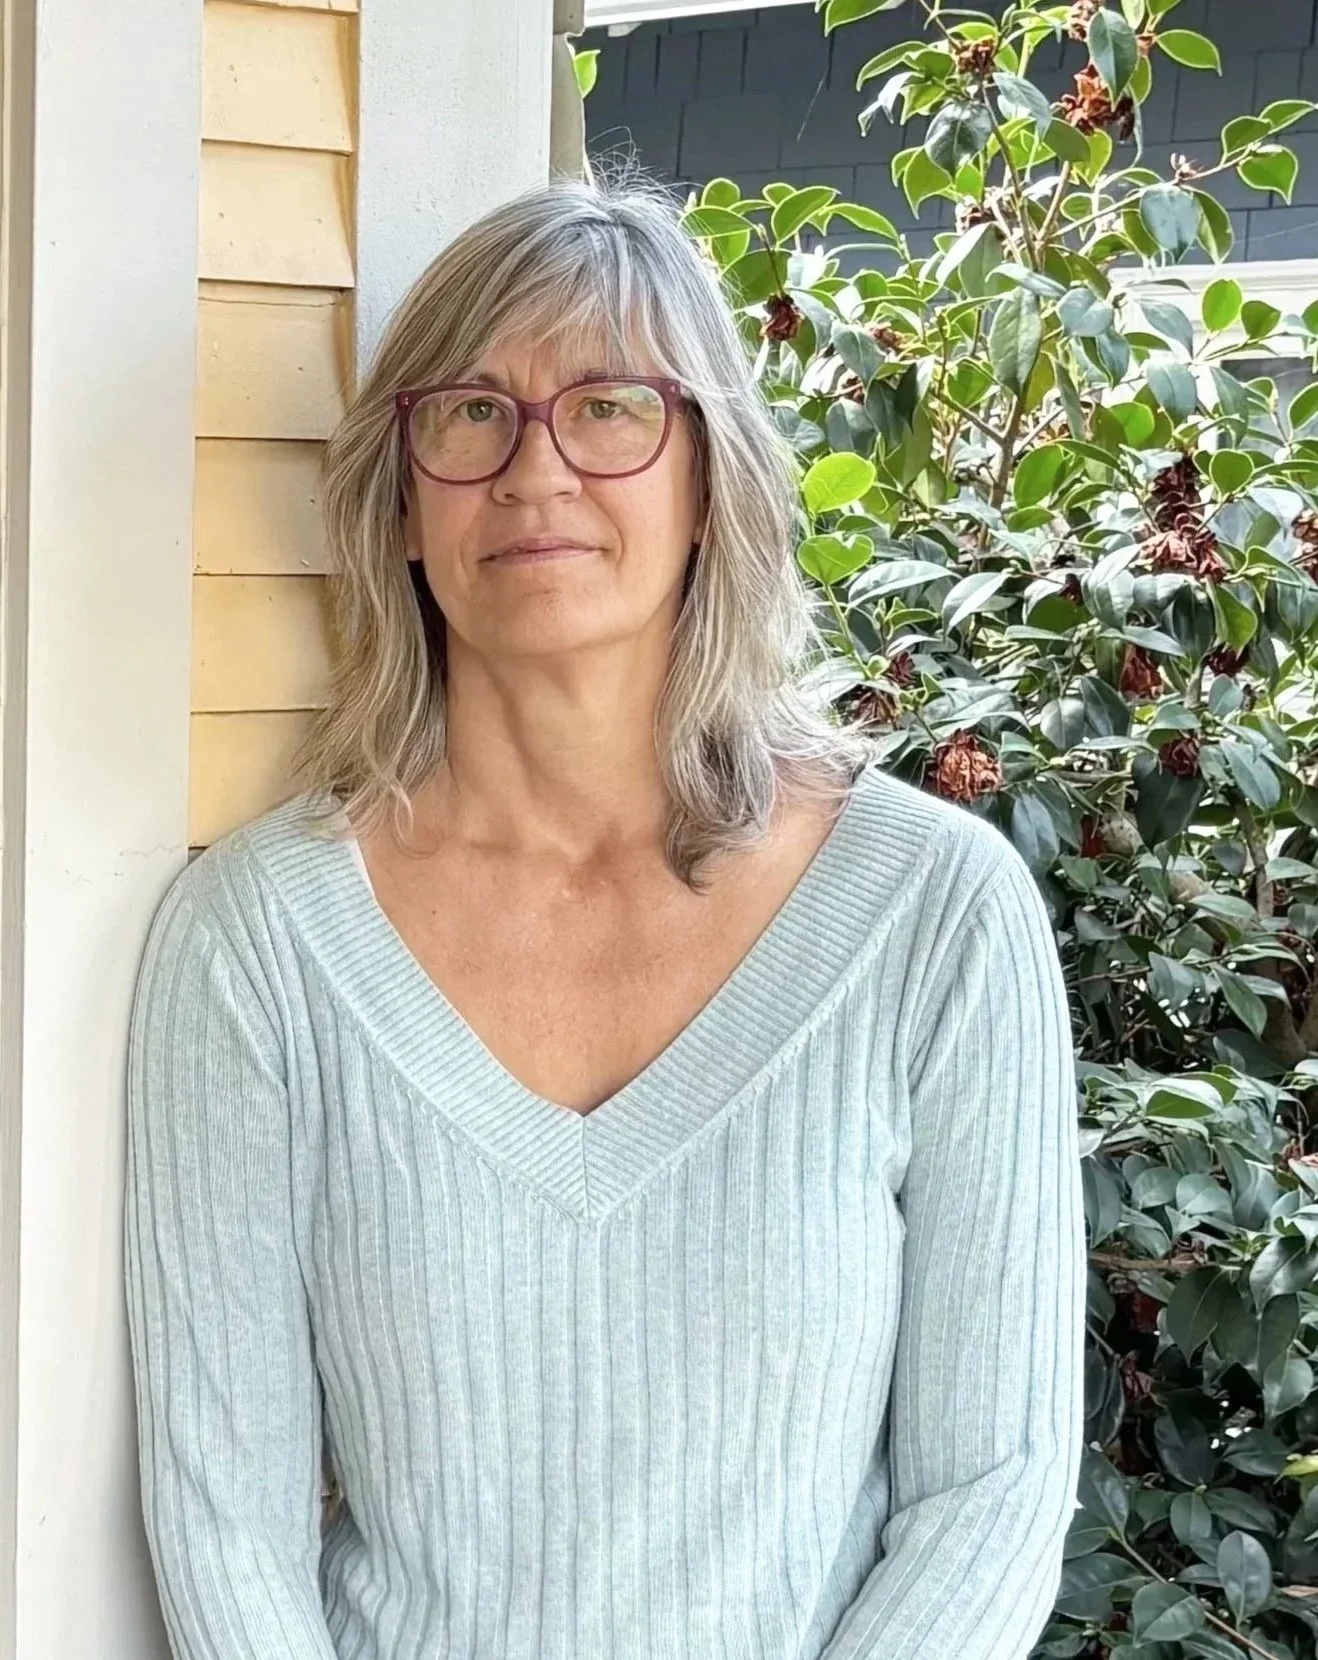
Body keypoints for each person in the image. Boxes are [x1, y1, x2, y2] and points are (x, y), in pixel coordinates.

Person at [123, 173, 1086, 1660]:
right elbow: (225, 1525)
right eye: (472, 414)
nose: (536, 471)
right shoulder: (256, 946)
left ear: (711, 481)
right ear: (401, 504)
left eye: (612, 408)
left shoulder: (936, 920)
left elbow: (992, 1493)